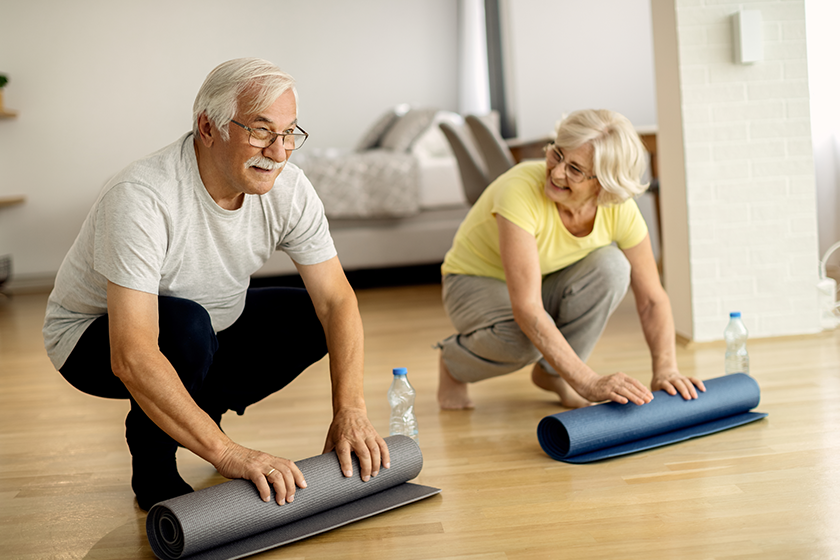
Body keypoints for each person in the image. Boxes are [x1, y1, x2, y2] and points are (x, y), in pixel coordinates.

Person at [43, 58, 389, 510]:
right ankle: (154, 465)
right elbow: (132, 354)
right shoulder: (141, 196)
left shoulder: (290, 188)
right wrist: (229, 455)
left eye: (289, 133)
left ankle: (200, 414)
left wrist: (351, 412)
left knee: (310, 316)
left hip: (211, 323)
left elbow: (337, 301)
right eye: (261, 131)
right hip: (92, 340)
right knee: (186, 328)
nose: (279, 152)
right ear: (209, 128)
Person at [436, 109, 705, 410]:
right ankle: (452, 363)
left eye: (575, 169)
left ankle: (554, 376)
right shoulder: (520, 190)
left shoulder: (619, 209)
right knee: (524, 341)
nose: (556, 172)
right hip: (472, 281)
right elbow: (527, 308)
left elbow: (652, 299)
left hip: (546, 279)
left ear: (603, 184)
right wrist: (588, 381)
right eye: (557, 154)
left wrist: (666, 369)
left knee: (613, 267)